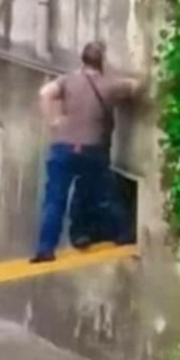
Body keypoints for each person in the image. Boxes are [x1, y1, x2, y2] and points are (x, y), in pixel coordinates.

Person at [31, 41, 144, 263]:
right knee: (104, 194)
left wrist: (53, 121)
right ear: (101, 60)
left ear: (82, 59)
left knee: (54, 200)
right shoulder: (109, 85)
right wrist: (111, 72)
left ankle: (45, 249)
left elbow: (44, 92)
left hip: (62, 147)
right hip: (93, 149)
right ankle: (123, 234)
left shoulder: (68, 79)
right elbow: (136, 87)